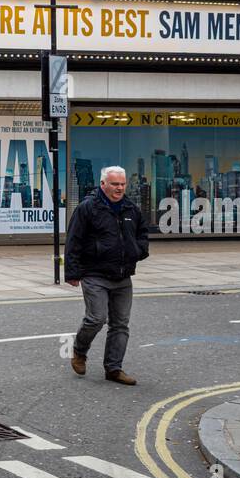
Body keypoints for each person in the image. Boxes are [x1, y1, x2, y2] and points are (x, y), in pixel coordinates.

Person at [64, 165, 149, 386]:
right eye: (114, 184)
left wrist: (137, 251)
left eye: (122, 184)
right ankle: (79, 351)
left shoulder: (131, 208)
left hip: (122, 275)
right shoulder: (88, 208)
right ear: (103, 184)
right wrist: (72, 272)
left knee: (120, 324)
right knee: (96, 319)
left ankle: (113, 368)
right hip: (94, 273)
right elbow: (74, 240)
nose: (119, 188)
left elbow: (142, 234)